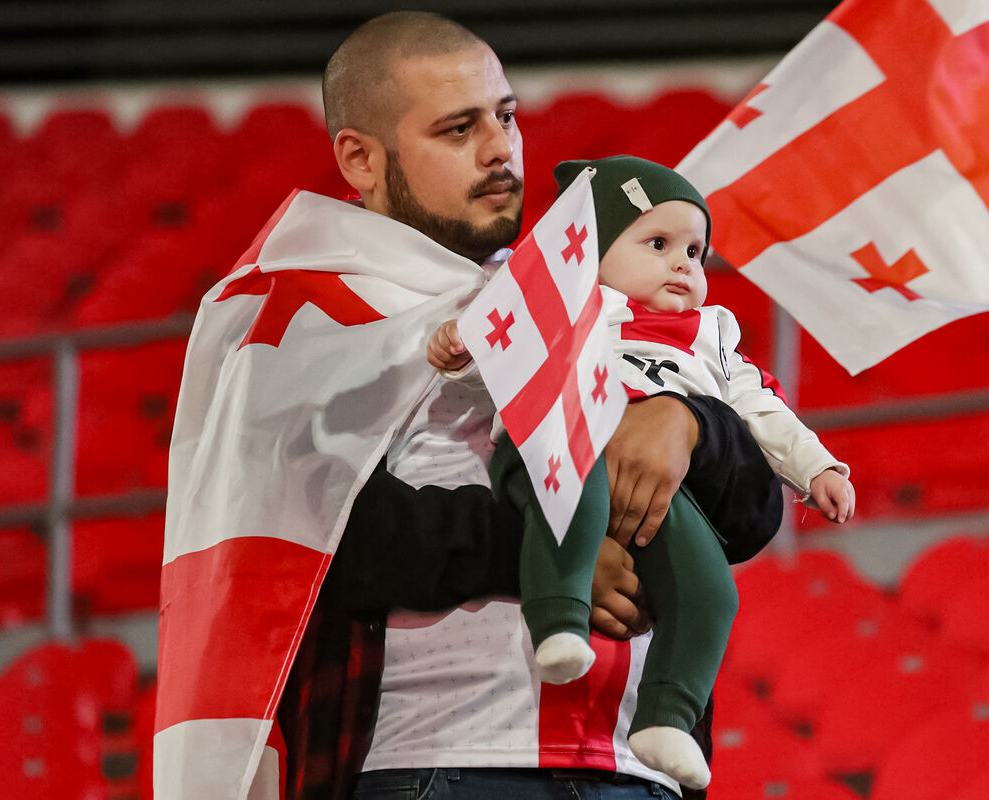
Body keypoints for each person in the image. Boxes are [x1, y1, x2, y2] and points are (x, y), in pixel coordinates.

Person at [154, 11, 786, 800]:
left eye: (506, 117)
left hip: (636, 769)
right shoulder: (304, 315)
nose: (499, 150)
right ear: (360, 158)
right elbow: (325, 542)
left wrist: (693, 426)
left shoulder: (583, 294)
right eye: (458, 129)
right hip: (440, 762)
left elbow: (752, 516)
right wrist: (554, 549)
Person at [427, 155, 855, 789]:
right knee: (576, 506)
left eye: (695, 252)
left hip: (657, 492)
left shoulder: (712, 340)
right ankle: (558, 623)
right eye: (658, 244)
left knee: (712, 590)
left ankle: (668, 718)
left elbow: (764, 410)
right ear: (592, 251)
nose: (683, 264)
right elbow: (502, 352)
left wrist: (817, 469)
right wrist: (462, 350)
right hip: (555, 448)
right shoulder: (569, 306)